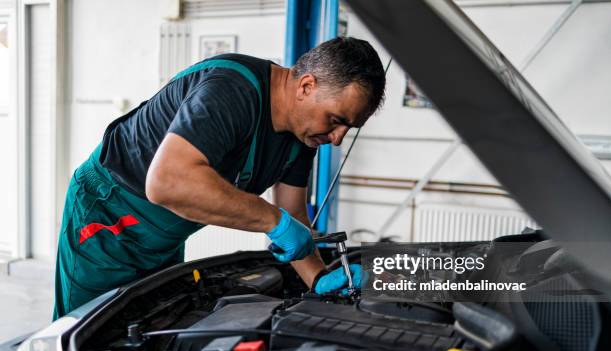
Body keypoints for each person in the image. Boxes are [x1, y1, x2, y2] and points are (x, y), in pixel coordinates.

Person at [53, 37, 386, 319]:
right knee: (82, 334)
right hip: (107, 220)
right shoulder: (233, 90)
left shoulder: (304, 136)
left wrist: (319, 278)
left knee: (149, 325)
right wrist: (272, 221)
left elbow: (293, 217)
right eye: (335, 120)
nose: (338, 138)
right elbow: (168, 182)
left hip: (165, 235)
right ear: (306, 86)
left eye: (348, 128)